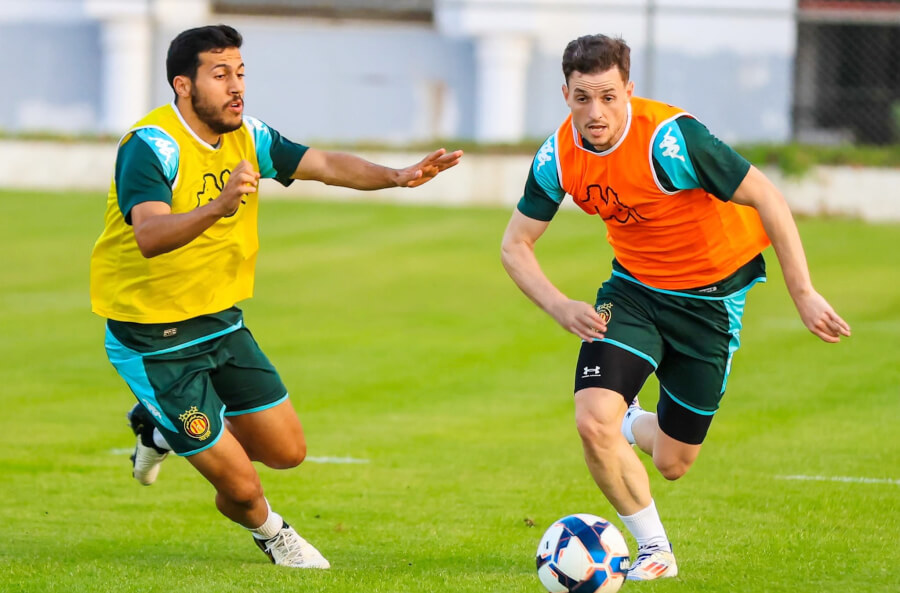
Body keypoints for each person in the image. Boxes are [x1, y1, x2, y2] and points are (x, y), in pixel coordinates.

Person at [90, 24, 462, 569]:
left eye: (240, 73)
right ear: (184, 85)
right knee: (243, 490)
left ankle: (156, 427)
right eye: (220, 75)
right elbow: (149, 236)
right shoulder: (151, 146)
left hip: (219, 321)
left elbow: (326, 165)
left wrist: (398, 176)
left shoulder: (249, 135)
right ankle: (274, 535)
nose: (236, 86)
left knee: (287, 452)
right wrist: (217, 206)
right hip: (152, 340)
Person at [500, 34, 850, 581]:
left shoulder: (672, 139)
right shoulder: (558, 156)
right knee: (593, 423)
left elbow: (768, 197)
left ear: (629, 90)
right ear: (564, 93)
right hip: (632, 293)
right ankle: (654, 549)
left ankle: (635, 418)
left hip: (710, 302)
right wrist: (559, 305)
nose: (596, 112)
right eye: (583, 97)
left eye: (609, 97)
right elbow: (514, 244)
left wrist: (802, 291)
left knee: (672, 462)